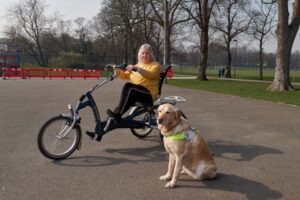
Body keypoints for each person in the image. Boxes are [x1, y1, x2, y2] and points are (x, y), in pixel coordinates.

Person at [86, 43, 161, 141]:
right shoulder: (137, 65)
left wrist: (137, 69)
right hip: (135, 94)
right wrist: (115, 69)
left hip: (148, 94)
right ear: (139, 54)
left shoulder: (155, 65)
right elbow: (124, 75)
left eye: (147, 53)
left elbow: (151, 75)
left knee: (128, 86)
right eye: (142, 53)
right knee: (117, 111)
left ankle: (117, 115)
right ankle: (98, 133)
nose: (144, 55)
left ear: (151, 54)